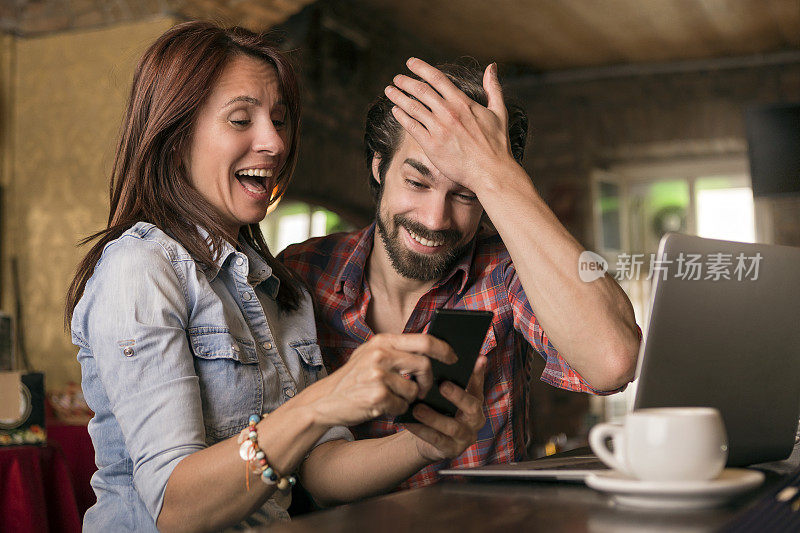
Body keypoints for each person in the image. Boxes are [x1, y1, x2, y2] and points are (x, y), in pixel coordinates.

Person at [65, 23, 486, 532]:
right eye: (241, 119)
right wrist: (319, 403)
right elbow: (176, 508)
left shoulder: (279, 288)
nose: (274, 142)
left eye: (280, 120)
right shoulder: (141, 269)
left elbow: (319, 472)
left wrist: (423, 441)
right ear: (177, 134)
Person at [279, 59, 641, 489]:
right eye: (417, 183)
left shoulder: (506, 270)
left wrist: (496, 172)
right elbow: (297, 468)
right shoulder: (300, 273)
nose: (435, 219)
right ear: (379, 167)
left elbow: (614, 361)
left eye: (466, 194)